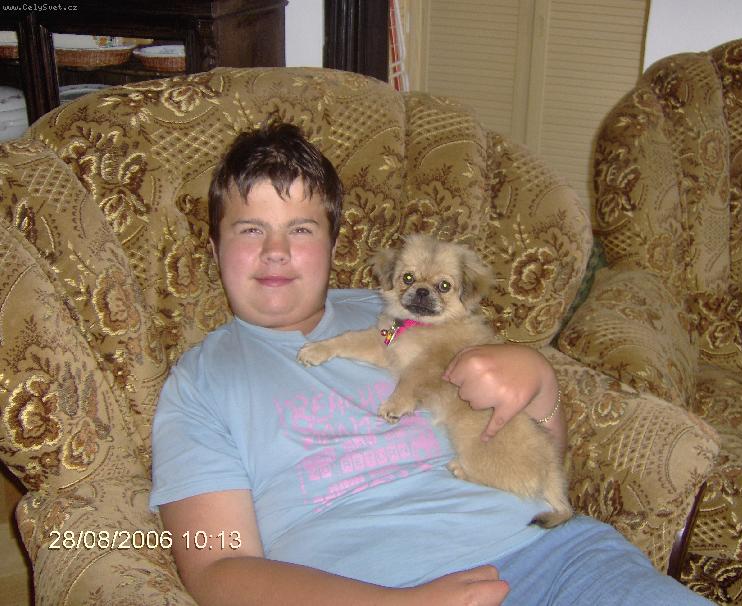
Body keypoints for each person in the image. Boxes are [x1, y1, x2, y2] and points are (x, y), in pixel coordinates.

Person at [149, 122, 711, 606]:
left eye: (301, 229)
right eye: (251, 229)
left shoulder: (401, 310)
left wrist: (540, 384)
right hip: (379, 590)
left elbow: (531, 458)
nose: (276, 250)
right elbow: (215, 569)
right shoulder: (200, 381)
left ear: (333, 244)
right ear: (215, 248)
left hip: (557, 558)